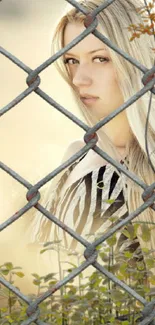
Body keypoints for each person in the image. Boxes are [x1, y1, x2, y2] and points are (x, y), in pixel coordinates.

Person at [30, 0, 155, 321]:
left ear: (136, 59)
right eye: (71, 60)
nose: (78, 79)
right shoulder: (76, 156)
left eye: (100, 58)